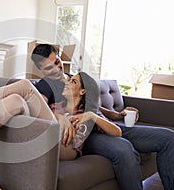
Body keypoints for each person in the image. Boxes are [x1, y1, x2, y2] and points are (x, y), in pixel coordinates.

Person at [31, 44, 174, 190]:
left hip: (103, 124)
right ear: (41, 70)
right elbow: (37, 110)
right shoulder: (44, 86)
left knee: (168, 138)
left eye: (57, 62)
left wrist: (118, 114)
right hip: (88, 135)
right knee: (124, 149)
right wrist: (59, 118)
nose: (56, 69)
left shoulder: (71, 78)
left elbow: (92, 106)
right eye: (49, 68)